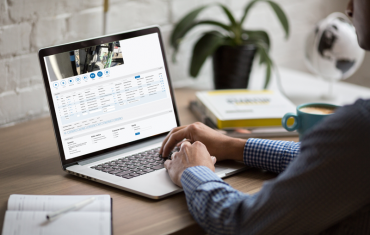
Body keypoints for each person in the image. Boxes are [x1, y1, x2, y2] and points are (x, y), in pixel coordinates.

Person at [159, 0, 370, 234]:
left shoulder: (360, 125)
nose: (349, 7)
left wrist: (194, 172)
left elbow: (241, 224)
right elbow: (331, 160)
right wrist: (232, 145)